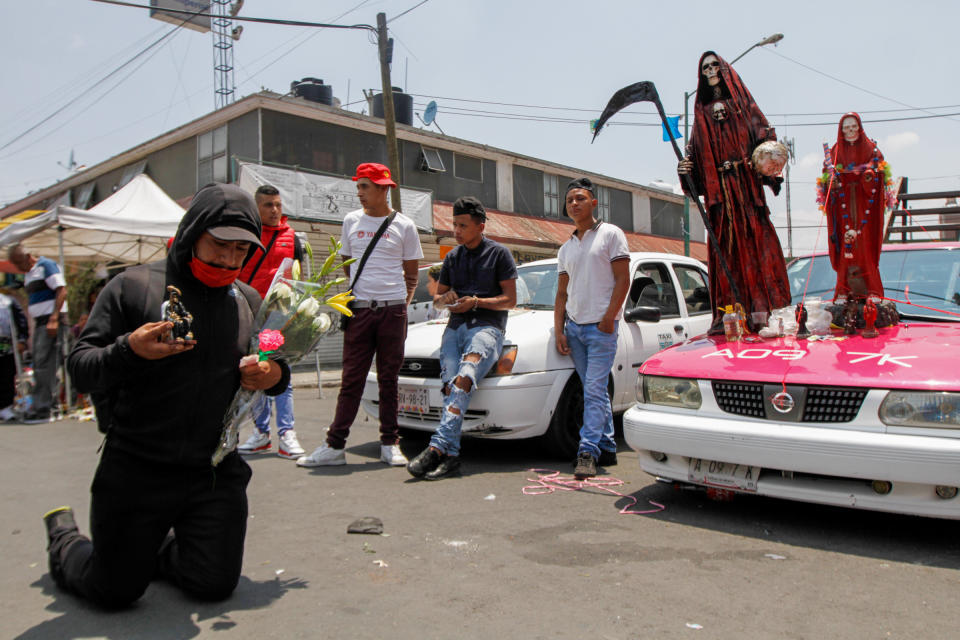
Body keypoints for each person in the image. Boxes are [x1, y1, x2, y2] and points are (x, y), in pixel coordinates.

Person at [42, 183, 290, 609]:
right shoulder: (132, 286)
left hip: (212, 472)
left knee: (213, 585)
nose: (230, 260)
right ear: (194, 232)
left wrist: (272, 374)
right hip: (137, 468)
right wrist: (128, 350)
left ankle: (150, 549)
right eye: (220, 246)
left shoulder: (249, 301)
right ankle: (64, 537)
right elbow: (81, 368)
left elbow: (277, 368)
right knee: (113, 592)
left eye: (241, 251)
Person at [297, 162, 423, 468]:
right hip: (360, 310)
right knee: (351, 379)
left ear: (383, 188)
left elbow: (411, 275)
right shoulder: (351, 221)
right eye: (358, 186)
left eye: (365, 186)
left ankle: (389, 443)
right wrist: (360, 295)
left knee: (389, 379)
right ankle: (335, 445)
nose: (359, 193)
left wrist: (401, 305)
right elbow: (347, 265)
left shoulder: (405, 225)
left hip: (392, 311)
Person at [677, 51, 790, 333]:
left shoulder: (742, 105)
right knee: (726, 253)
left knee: (757, 248)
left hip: (746, 190)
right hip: (720, 199)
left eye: (715, 65)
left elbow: (765, 139)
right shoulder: (701, 111)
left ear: (724, 70)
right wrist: (686, 168)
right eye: (705, 67)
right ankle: (730, 314)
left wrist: (765, 159)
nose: (710, 70)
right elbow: (695, 152)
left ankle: (764, 310)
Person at [407, 197, 517, 480]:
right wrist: (446, 298)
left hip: (487, 329)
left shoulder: (499, 254)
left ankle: (437, 447)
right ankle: (451, 456)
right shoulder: (453, 257)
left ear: (480, 226)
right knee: (449, 386)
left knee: (464, 378)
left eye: (462, 225)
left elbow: (511, 300)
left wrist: (477, 303)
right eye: (454, 224)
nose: (456, 230)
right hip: (454, 330)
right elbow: (437, 301)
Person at [553, 178, 630, 480]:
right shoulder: (566, 247)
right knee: (593, 391)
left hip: (601, 328)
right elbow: (561, 293)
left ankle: (587, 452)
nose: (574, 203)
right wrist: (559, 329)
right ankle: (608, 445)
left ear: (594, 202)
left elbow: (623, 279)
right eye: (570, 199)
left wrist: (609, 317)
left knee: (595, 390)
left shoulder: (611, 234)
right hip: (575, 330)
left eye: (581, 198)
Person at [236, 184, 306, 459]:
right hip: (247, 314)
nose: (275, 210)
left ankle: (286, 434)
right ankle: (261, 433)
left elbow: (298, 278)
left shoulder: (292, 238)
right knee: (254, 373)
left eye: (278, 204)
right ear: (256, 207)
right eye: (268, 205)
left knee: (280, 373)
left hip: (278, 317)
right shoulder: (245, 234)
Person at [819, 112, 891, 301]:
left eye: (853, 127)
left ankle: (872, 290)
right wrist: (831, 182)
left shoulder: (872, 150)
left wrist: (869, 176)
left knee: (864, 246)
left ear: (859, 128)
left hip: (863, 204)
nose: (850, 131)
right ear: (841, 131)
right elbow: (826, 177)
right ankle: (843, 290)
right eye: (846, 128)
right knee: (845, 247)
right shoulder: (834, 152)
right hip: (843, 207)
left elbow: (879, 172)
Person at [7, 244, 68, 423]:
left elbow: (61, 290)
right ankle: (50, 404)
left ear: (28, 257)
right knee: (44, 364)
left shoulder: (45, 266)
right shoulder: (29, 274)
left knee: (43, 364)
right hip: (41, 322)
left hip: (50, 321)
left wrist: (54, 318)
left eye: (19, 263)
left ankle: (43, 408)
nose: (18, 268)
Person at [0, 291, 28, 421]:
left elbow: (21, 320)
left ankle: (5, 407)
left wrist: (22, 340)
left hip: (6, 345)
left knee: (6, 375)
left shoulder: (8, 301)